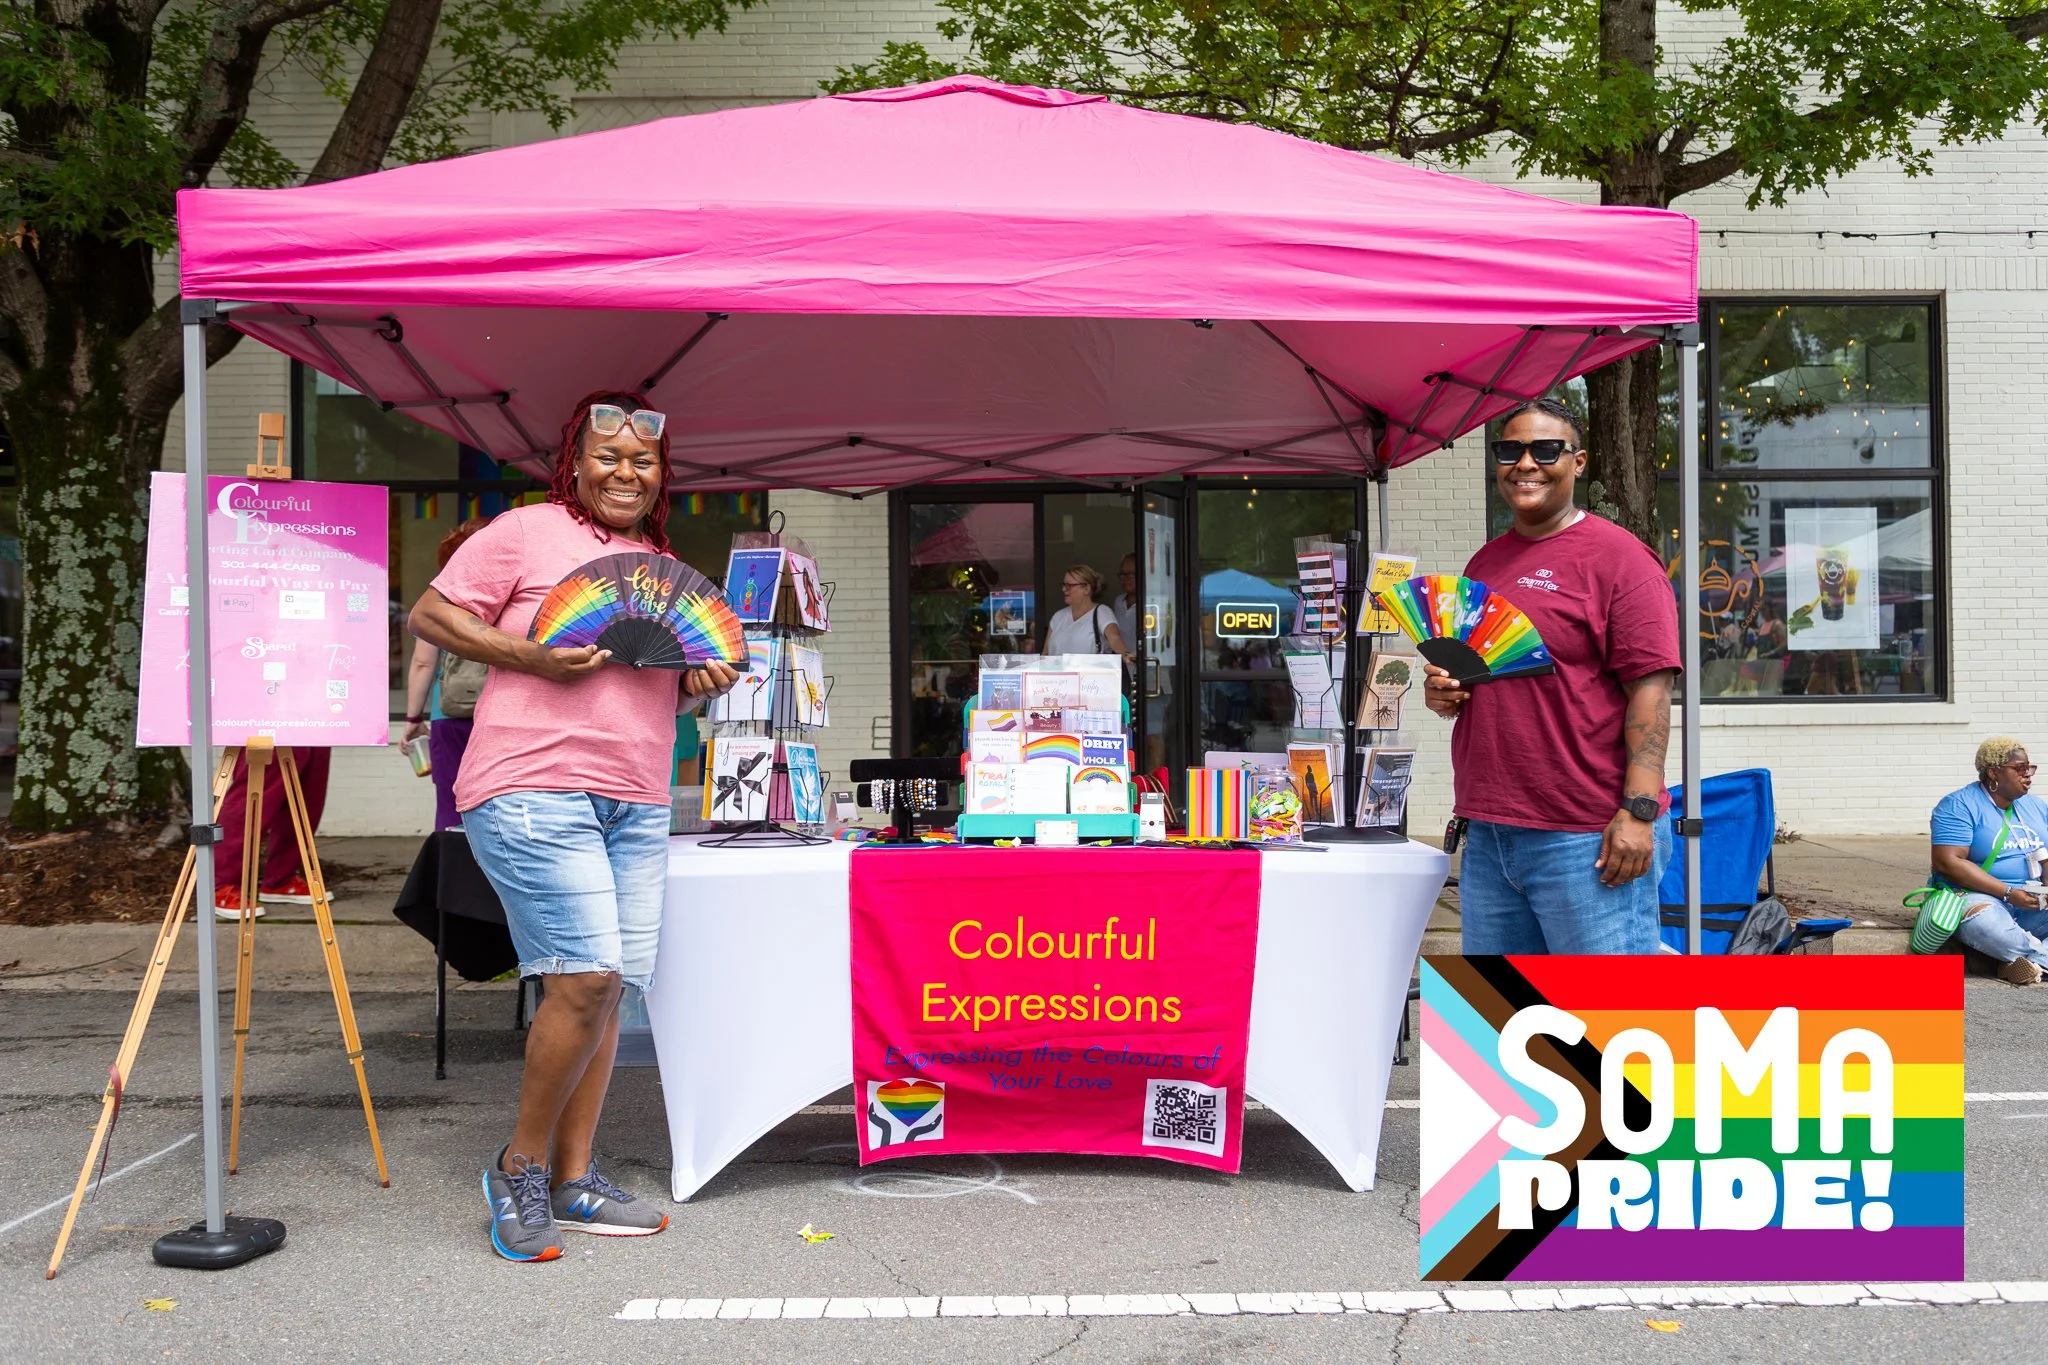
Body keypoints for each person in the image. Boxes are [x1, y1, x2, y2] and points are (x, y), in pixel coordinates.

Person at [410, 391, 738, 1262]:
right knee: (585, 978)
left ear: (662, 475)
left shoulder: (656, 558)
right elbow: (432, 614)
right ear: (575, 462)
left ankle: (574, 1176)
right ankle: (518, 1166)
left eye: (644, 462)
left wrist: (700, 681)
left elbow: (663, 671)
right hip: (531, 786)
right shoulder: (524, 532)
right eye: (608, 457)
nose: (626, 473)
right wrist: (530, 655)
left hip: (634, 795)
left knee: (610, 988)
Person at [1424, 397, 1680, 954]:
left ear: (1579, 462)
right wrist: (1447, 691)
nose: (1526, 464)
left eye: (1546, 449)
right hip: (1490, 831)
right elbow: (1481, 682)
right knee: (1498, 1025)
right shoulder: (1485, 564)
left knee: (1610, 1028)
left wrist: (1638, 812)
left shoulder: (1622, 561)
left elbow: (1652, 693)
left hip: (1586, 835)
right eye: (1510, 450)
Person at [1929, 737, 2048, 984]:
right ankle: (2032, 956)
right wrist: (2008, 892)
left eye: (2030, 768)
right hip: (1981, 897)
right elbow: (1948, 862)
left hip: (2034, 898)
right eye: (2020, 768)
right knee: (1988, 927)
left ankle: (2025, 962)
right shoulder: (1958, 805)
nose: (2028, 775)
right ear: (1994, 772)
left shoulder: (2035, 806)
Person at [403, 517, 494, 832]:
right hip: (504, 716)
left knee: (453, 804)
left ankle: (453, 876)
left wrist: (414, 720)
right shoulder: (516, 596)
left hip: (449, 716)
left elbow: (423, 664)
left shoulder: (440, 602)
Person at [210, 747, 330, 920]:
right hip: (270, 721)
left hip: (318, 720)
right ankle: (219, 885)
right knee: (258, 785)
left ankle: (280, 878)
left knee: (307, 794)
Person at [1042, 563, 1133, 661]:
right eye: (1064, 585)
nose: (1064, 589)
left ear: (1086, 589)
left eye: (1069, 586)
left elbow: (1114, 638)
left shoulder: (1101, 612)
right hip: (1059, 675)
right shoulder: (1058, 617)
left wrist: (1125, 655)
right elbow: (1045, 654)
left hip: (1090, 675)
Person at [1111, 553, 1140, 648]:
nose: (1125, 579)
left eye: (1130, 574)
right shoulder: (1119, 601)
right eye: (1122, 574)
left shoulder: (1152, 603)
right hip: (1122, 660)